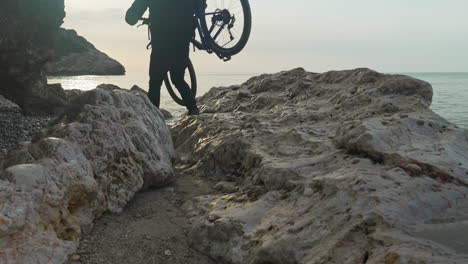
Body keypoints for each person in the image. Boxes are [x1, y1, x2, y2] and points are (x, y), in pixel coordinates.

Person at [125, 0, 203, 115]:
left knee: (155, 83)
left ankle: (154, 118)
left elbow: (132, 16)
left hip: (162, 41)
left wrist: (133, 16)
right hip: (182, 39)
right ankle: (193, 110)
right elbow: (200, 6)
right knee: (178, 79)